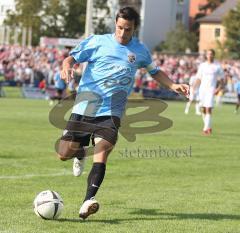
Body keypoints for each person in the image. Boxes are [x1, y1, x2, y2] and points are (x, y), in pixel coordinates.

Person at [57, 7, 189, 220]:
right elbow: (71, 58)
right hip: (85, 107)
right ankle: (80, 152)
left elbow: (155, 72)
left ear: (134, 28)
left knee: (103, 150)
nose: (122, 33)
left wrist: (173, 85)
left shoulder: (140, 50)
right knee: (63, 154)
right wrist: (66, 67)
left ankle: (87, 201)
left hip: (111, 111)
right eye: (119, 28)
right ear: (115, 25)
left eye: (127, 29)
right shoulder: (97, 42)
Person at [193, 49, 224, 135]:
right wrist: (193, 87)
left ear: (214, 55)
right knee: (203, 109)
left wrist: (218, 89)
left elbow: (222, 80)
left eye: (211, 54)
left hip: (211, 90)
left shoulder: (217, 66)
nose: (209, 55)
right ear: (206, 55)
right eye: (208, 54)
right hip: (202, 90)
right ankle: (208, 126)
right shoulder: (202, 66)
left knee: (208, 108)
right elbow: (198, 78)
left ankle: (205, 129)